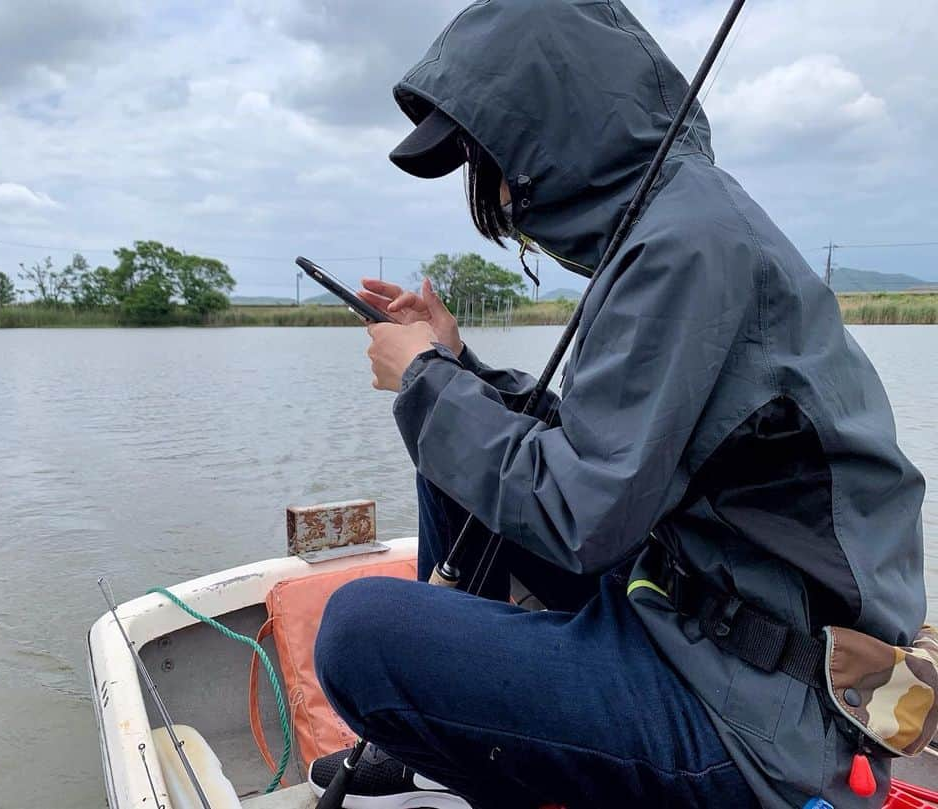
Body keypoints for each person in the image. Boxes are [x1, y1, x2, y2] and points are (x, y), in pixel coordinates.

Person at [310, 2, 926, 808]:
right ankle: (445, 749)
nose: (485, 187)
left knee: (359, 633)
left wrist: (426, 381)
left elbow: (581, 512)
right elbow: (608, 455)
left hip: (756, 716)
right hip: (693, 615)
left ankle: (465, 752)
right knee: (456, 444)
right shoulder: (679, 223)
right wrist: (455, 366)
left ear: (538, 141)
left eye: (481, 158)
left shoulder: (685, 246)